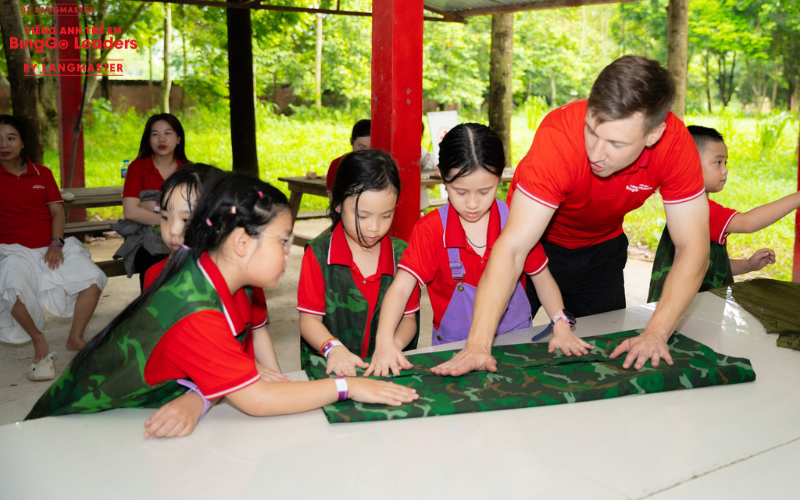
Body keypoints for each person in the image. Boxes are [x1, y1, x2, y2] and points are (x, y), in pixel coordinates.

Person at [26, 175, 418, 438]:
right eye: (282, 241)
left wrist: (201, 397)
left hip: (126, 422)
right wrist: (348, 386)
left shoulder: (219, 279)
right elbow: (257, 401)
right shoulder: (197, 310)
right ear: (242, 244)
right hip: (72, 432)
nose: (288, 253)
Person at [431, 55, 710, 377]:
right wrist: (477, 345)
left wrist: (656, 332)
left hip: (601, 250)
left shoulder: (675, 147)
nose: (596, 152)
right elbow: (513, 248)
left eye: (616, 143)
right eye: (592, 131)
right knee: (502, 349)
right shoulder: (559, 137)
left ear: (654, 134)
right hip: (538, 244)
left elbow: (693, 247)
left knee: (606, 358)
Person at [365, 124, 593, 377]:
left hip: (517, 346)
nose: (472, 204)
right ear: (442, 176)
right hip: (453, 351)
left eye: (485, 191)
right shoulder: (430, 230)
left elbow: (542, 278)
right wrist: (385, 340)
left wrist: (560, 324)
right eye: (460, 191)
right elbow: (400, 289)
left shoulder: (516, 221)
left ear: (500, 176)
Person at [144, 164, 288, 382]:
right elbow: (168, 352)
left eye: (187, 220)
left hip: (245, 385)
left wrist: (279, 380)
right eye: (165, 217)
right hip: (194, 393)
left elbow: (258, 332)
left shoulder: (247, 277)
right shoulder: (157, 277)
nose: (173, 230)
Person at [0, 115, 106, 380]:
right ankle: (39, 340)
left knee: (92, 279)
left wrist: (55, 244)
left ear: (23, 142)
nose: (4, 144)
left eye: (11, 138)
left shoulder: (42, 174)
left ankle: (75, 338)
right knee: (11, 287)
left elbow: (57, 213)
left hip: (51, 245)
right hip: (12, 249)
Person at [298, 150, 421, 376]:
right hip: (332, 372)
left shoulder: (402, 254)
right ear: (337, 204)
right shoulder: (318, 254)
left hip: (387, 370)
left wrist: (392, 346)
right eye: (362, 216)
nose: (374, 227)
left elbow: (409, 319)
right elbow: (309, 320)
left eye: (386, 216)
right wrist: (333, 349)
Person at [648, 125, 800, 301]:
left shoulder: (696, 207)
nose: (725, 169)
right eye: (718, 162)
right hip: (683, 316)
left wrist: (747, 265)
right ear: (690, 164)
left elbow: (712, 268)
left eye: (725, 162)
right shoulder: (695, 210)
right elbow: (747, 223)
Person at [114, 113, 190, 290]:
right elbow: (131, 212)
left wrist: (155, 207)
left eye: (168, 133)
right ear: (148, 140)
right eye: (155, 134)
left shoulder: (188, 169)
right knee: (152, 258)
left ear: (179, 139)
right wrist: (169, 219)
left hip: (182, 234)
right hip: (147, 237)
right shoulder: (138, 167)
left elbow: (193, 210)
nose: (161, 139)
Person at [325, 119, 371, 198]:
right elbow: (333, 200)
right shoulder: (337, 165)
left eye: (371, 149)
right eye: (361, 147)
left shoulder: (381, 167)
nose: (366, 154)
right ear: (351, 141)